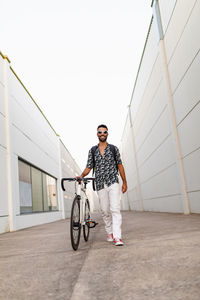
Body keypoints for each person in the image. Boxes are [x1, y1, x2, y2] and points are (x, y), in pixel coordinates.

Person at [78, 124, 127, 246]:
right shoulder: (93, 150)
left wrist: (124, 182)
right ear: (97, 134)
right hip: (100, 184)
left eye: (104, 132)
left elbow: (120, 166)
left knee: (115, 209)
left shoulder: (114, 149)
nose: (102, 134)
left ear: (107, 134)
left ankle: (117, 237)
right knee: (105, 210)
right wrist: (81, 176)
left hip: (113, 182)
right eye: (100, 132)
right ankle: (109, 232)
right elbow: (89, 167)